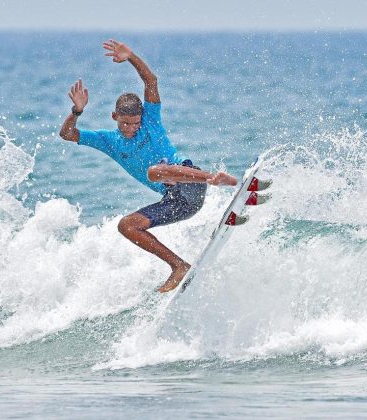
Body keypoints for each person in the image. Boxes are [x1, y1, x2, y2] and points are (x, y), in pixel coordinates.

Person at [59, 39, 238, 293]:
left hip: (191, 183)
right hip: (177, 202)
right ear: (115, 117)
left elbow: (150, 82)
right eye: (126, 124)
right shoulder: (107, 141)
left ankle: (214, 179)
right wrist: (76, 112)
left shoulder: (150, 122)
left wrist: (131, 57)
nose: (131, 128)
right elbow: (67, 134)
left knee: (154, 171)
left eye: (135, 123)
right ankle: (179, 266)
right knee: (126, 225)